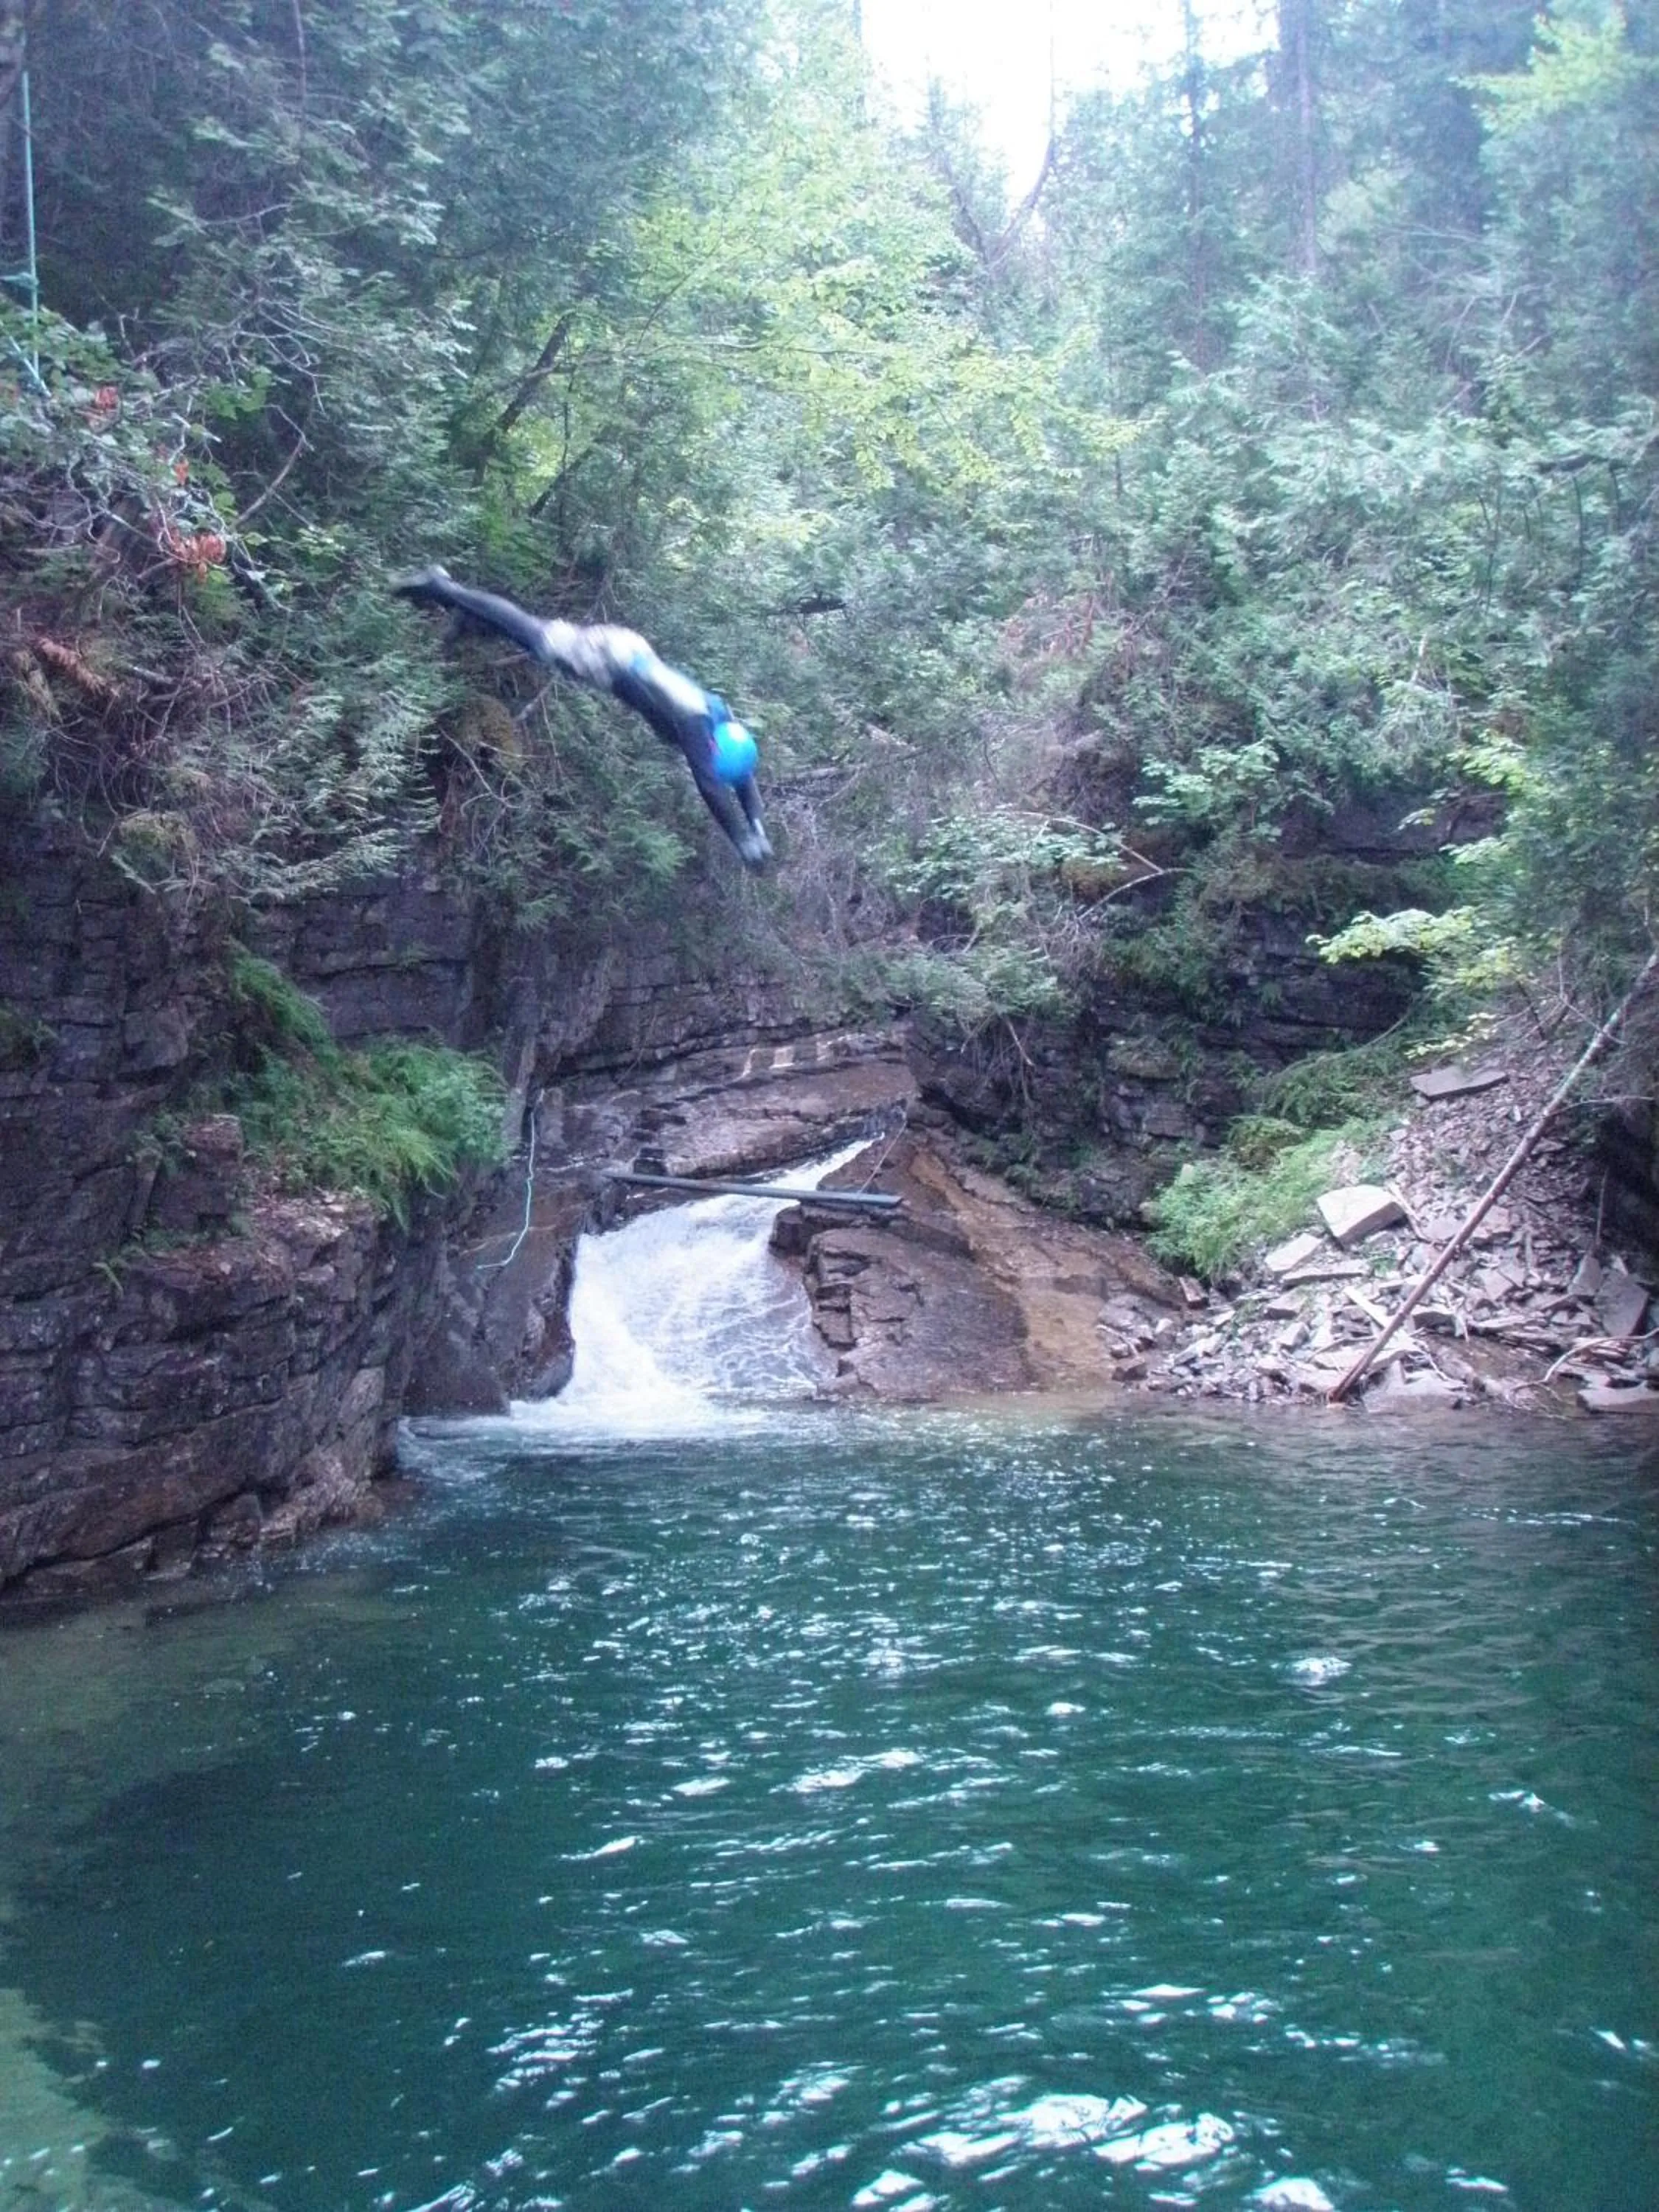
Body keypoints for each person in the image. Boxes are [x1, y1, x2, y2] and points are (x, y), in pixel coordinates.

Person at [392, 566, 771, 871]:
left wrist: (756, 826)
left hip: (627, 653)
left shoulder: (722, 718)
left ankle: (469, 620)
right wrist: (740, 839)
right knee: (537, 635)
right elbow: (710, 787)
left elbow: (742, 777)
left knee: (537, 641)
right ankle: (442, 586)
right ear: (714, 749)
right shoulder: (694, 723)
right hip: (612, 659)